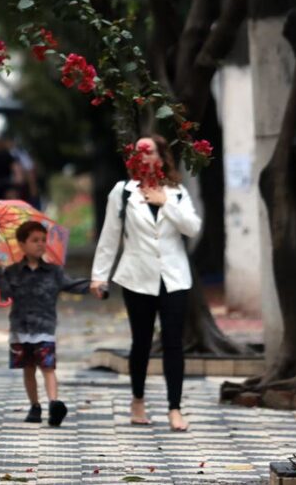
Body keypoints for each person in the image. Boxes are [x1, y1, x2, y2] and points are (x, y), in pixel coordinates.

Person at [89, 135, 201, 433]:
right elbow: (110, 236)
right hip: (137, 277)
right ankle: (137, 400)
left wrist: (166, 204)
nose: (142, 156)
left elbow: (192, 227)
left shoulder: (176, 192)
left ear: (161, 158)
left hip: (174, 278)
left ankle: (174, 408)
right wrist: (99, 275)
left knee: (174, 342)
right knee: (141, 342)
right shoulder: (123, 192)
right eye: (137, 152)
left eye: (148, 151)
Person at [0, 221, 90, 427]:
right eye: (34, 240)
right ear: (22, 244)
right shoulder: (12, 272)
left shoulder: (54, 272)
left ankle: (54, 404)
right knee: (28, 368)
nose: (40, 244)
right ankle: (34, 405)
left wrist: (93, 286)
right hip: (20, 328)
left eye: (43, 240)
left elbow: (71, 284)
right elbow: (5, 294)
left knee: (48, 367)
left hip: (44, 328)